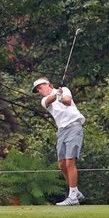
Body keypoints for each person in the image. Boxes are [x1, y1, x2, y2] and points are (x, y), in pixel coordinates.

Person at [33, 77, 86, 206]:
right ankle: (76, 191)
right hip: (61, 131)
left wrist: (60, 97)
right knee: (62, 165)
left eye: (40, 87)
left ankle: (72, 197)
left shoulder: (65, 90)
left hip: (74, 126)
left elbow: (68, 101)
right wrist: (56, 95)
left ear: (48, 84)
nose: (40, 91)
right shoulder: (44, 100)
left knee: (70, 161)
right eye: (37, 90)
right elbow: (48, 101)